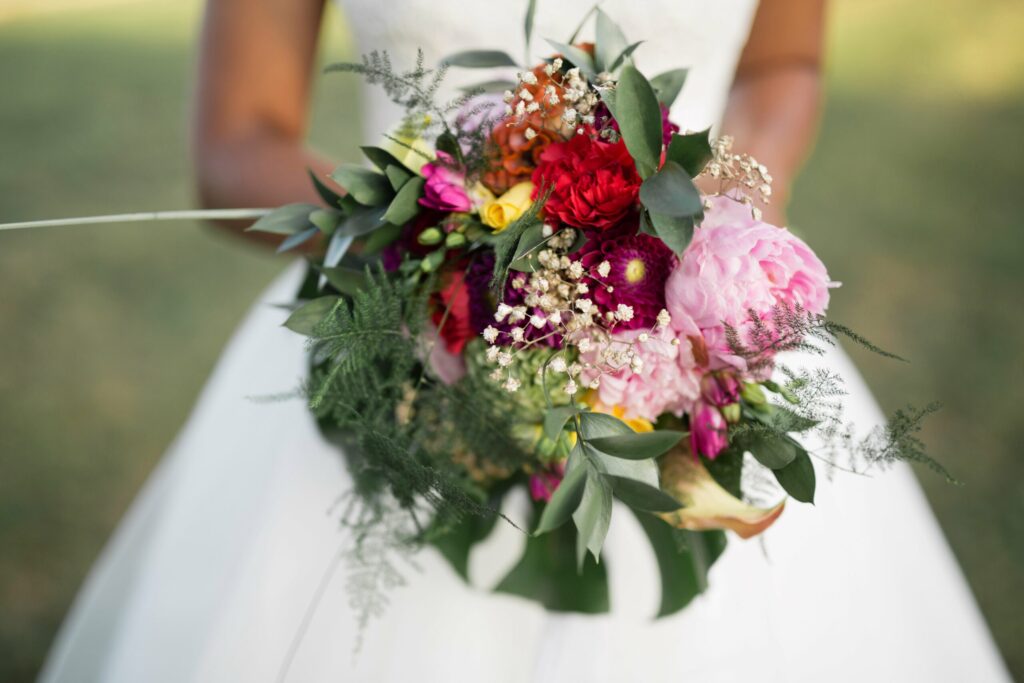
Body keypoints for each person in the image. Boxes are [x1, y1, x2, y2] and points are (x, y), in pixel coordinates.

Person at [40, 1, 1012, 681]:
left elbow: (782, 64)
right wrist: (435, 251)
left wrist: (729, 206)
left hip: (699, 333)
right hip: (403, 342)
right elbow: (236, 142)